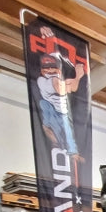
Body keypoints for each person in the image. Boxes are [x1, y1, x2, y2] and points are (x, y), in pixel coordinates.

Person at [36, 29, 86, 159]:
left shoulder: (57, 70)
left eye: (53, 67)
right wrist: (78, 76)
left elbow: (72, 86)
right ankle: (48, 129)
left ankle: (72, 151)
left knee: (68, 131)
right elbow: (63, 88)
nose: (50, 70)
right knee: (45, 107)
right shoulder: (43, 81)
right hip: (51, 109)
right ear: (42, 70)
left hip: (63, 112)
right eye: (46, 68)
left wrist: (50, 38)